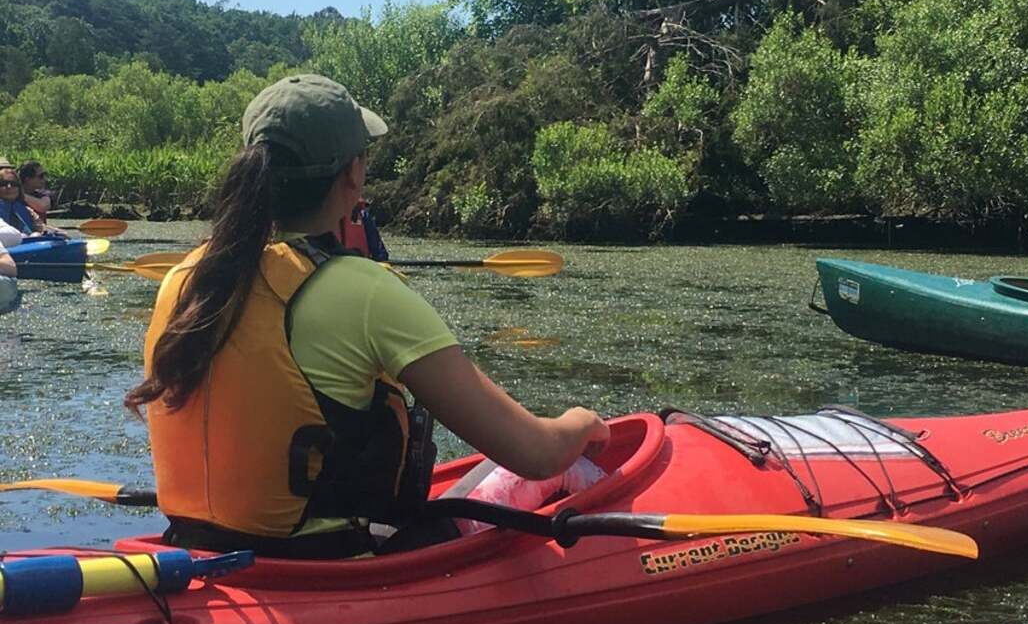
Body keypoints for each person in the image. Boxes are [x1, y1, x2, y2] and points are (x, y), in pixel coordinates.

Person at [125, 74, 607, 559]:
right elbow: (536, 455)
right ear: (352, 174)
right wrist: (583, 422)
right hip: (330, 567)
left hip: (195, 552)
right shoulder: (365, 290)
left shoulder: (186, 279)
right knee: (568, 467)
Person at [0, 168, 46, 235]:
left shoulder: (28, 211)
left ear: (19, 187)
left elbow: (42, 228)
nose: (9, 187)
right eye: (4, 183)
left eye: (13, 184)